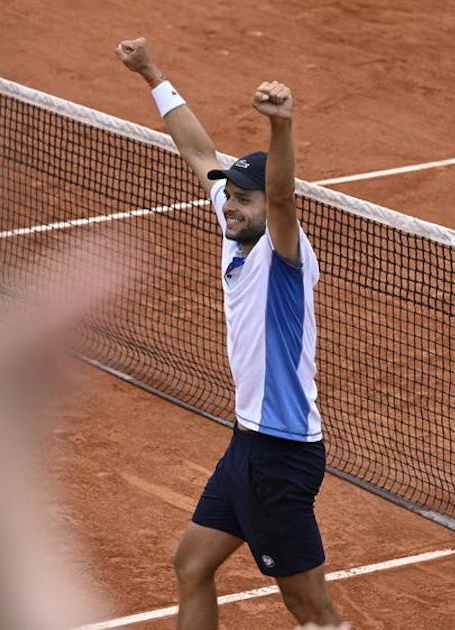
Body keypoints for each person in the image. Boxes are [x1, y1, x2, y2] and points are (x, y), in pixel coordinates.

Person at [115, 37, 342, 630]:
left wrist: (283, 128)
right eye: (230, 198)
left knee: (311, 609)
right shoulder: (235, 223)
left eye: (244, 201)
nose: (230, 208)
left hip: (282, 454)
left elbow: (286, 198)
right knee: (191, 565)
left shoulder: (283, 254)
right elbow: (196, 149)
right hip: (247, 444)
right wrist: (151, 73)